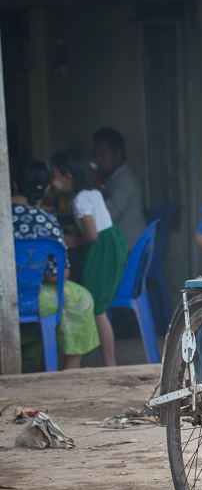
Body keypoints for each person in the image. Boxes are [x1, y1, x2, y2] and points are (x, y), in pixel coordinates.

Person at [12, 161, 100, 369]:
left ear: (14, 185)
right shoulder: (48, 222)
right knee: (80, 298)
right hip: (35, 299)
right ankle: (70, 372)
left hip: (4, 300)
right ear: (46, 190)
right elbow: (57, 275)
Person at [51, 150, 128, 368]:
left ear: (68, 177)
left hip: (101, 250)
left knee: (97, 309)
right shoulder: (92, 193)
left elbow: (92, 235)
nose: (53, 181)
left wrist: (74, 241)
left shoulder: (79, 200)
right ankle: (108, 363)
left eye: (55, 175)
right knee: (98, 307)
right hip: (111, 244)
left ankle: (110, 364)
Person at [93, 127, 146, 247]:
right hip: (120, 245)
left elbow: (110, 215)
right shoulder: (112, 177)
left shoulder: (125, 180)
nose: (98, 160)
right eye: (95, 154)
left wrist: (96, 185)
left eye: (103, 154)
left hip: (130, 247)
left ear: (118, 155)